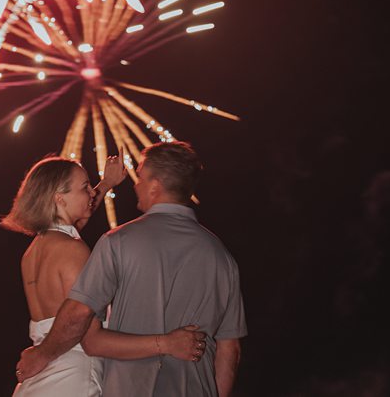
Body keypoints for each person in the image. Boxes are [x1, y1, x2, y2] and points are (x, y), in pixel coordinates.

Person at [16, 141, 247, 397]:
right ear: (59, 198)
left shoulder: (36, 250)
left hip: (38, 379)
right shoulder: (223, 257)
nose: (92, 194)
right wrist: (166, 343)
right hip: (73, 374)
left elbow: (68, 225)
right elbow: (78, 320)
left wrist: (105, 184)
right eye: (85, 188)